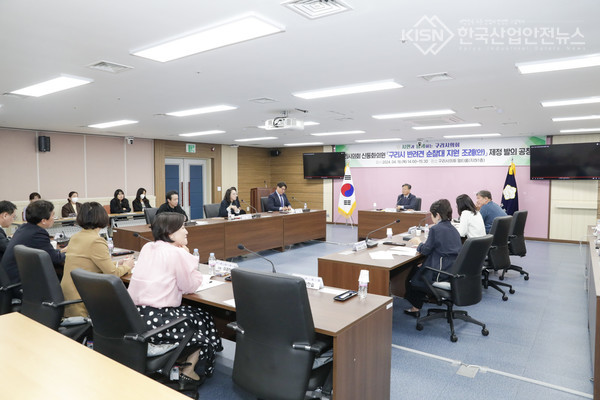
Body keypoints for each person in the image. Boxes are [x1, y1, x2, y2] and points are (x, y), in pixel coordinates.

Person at [128, 212, 222, 385]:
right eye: (183, 228)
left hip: (135, 318)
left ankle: (180, 361)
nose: (186, 232)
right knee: (203, 318)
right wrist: (188, 257)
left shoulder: (148, 247)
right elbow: (190, 286)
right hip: (158, 322)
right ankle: (188, 369)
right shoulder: (177, 254)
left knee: (196, 313)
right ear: (171, 234)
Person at [60, 202, 134, 318]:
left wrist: (117, 263)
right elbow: (112, 274)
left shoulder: (75, 237)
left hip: (68, 296)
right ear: (102, 217)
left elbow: (88, 263)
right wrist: (127, 266)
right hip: (83, 300)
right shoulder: (96, 241)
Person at [404, 199, 462, 317]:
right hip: (452, 269)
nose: (431, 217)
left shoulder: (436, 229)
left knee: (412, 276)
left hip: (441, 272)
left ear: (438, 215)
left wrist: (418, 242)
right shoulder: (454, 229)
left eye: (432, 215)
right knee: (420, 267)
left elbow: (425, 250)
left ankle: (416, 307)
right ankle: (424, 299)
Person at [1, 200, 67, 285]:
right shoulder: (38, 233)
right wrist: (73, 251)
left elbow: (47, 253)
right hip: (20, 284)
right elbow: (55, 259)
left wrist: (61, 251)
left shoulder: (23, 228)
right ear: (43, 221)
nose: (54, 218)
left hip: (11, 279)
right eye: (53, 215)